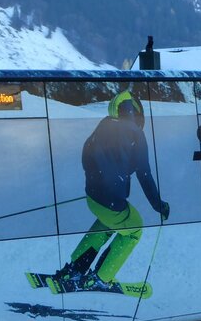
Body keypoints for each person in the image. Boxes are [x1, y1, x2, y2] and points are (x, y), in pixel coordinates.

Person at [46, 90, 170, 294]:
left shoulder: (104, 125)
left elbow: (90, 155)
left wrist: (100, 182)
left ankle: (74, 269)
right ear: (135, 112)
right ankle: (101, 277)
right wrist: (159, 205)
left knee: (107, 224)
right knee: (135, 229)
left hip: (93, 197)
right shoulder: (135, 133)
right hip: (111, 202)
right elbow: (144, 174)